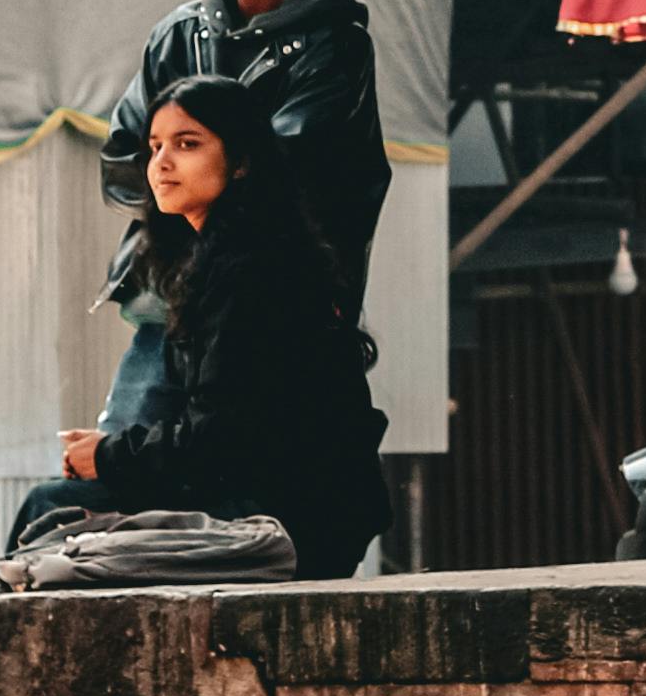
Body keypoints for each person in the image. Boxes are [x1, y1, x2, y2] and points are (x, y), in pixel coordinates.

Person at [21, 72, 390, 580]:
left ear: (240, 163)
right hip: (250, 499)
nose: (162, 163)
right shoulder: (215, 259)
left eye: (187, 144)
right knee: (57, 517)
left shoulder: (256, 270)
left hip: (287, 522)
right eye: (154, 147)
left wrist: (110, 456)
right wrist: (109, 454)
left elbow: (221, 440)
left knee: (52, 519)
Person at [98, 0, 389, 441]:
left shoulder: (334, 48)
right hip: (170, 308)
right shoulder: (176, 38)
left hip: (283, 317)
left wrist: (190, 204)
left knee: (265, 503)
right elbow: (121, 156)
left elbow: (290, 176)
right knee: (119, 485)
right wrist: (188, 221)